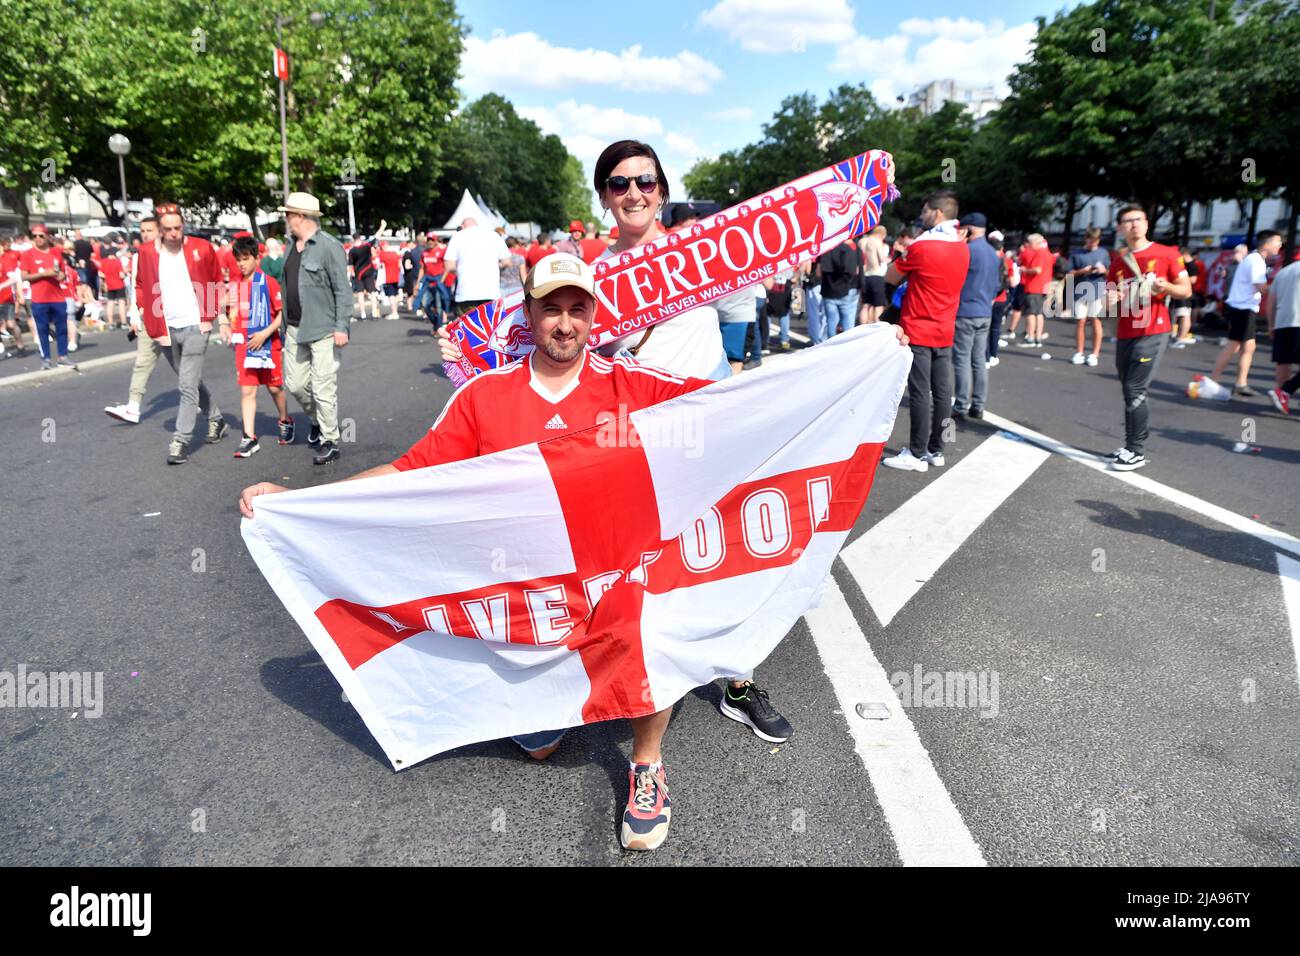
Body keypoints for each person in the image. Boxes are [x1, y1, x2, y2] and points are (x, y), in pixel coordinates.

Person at [244, 252, 715, 852]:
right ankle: (548, 701)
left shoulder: (634, 386)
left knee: (654, 615)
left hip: (615, 582)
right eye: (551, 309)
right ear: (529, 313)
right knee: (540, 744)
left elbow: (732, 408)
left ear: (595, 315)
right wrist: (302, 500)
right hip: (532, 598)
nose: (565, 323)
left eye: (577, 309)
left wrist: (850, 361)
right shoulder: (485, 397)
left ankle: (646, 764)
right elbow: (409, 472)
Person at [441, 140, 819, 754]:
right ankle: (584, 677)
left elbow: (736, 324)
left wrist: (742, 400)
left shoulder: (703, 252)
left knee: (720, 551)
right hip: (630, 438)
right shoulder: (590, 268)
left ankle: (738, 679)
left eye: (644, 181)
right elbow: (539, 341)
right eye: (619, 184)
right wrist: (462, 348)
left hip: (704, 424)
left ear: (662, 190)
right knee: (626, 560)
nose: (633, 193)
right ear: (604, 196)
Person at [881, 190, 970, 473]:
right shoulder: (962, 248)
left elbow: (891, 276)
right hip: (945, 327)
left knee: (920, 392)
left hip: (918, 327)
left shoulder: (922, 247)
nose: (922, 216)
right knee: (943, 393)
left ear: (938, 213)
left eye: (925, 210)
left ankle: (916, 453)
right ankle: (936, 449)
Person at [134, 204, 228, 463]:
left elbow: (216, 280)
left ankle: (180, 441)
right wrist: (143, 311)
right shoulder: (147, 253)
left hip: (197, 325)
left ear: (183, 225)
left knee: (186, 384)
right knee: (192, 380)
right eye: (168, 229)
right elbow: (141, 285)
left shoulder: (201, 247)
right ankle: (216, 418)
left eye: (178, 227)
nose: (174, 233)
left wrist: (217, 316)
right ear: (159, 231)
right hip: (164, 328)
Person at [1103, 204, 1191, 471]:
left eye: (1138, 220)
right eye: (1127, 221)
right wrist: (1112, 299)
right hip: (1126, 331)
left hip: (1154, 330)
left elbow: (1185, 290)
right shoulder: (1118, 262)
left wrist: (1167, 286)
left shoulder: (1167, 254)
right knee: (1128, 389)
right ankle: (1129, 444)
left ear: (1147, 223)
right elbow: (1109, 302)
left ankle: (1136, 450)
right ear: (1120, 228)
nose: (1133, 225)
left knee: (1135, 388)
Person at [279, 190, 352, 465]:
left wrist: (341, 326)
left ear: (299, 216)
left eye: (288, 214)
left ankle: (330, 439)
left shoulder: (328, 246)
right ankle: (316, 420)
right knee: (295, 385)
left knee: (323, 386)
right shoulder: (289, 245)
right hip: (295, 328)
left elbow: (342, 290)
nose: (286, 219)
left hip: (323, 328)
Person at [220, 235, 290, 458]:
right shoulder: (234, 285)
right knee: (247, 390)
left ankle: (285, 419)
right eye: (238, 259)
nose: (242, 263)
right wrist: (224, 319)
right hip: (244, 346)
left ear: (256, 258)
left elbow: (281, 315)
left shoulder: (268, 282)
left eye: (246, 258)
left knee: (274, 388)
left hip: (268, 343)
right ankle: (249, 437)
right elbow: (224, 309)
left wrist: (265, 333)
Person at [1205, 230, 1283, 398]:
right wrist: (1282, 283)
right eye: (1278, 242)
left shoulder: (1254, 259)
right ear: (1267, 244)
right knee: (1233, 346)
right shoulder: (1256, 261)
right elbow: (1261, 288)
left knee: (1247, 347)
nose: (1280, 245)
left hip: (1243, 308)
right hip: (1243, 309)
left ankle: (1240, 383)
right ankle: (1214, 381)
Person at [105, 217, 164, 424]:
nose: (146, 234)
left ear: (160, 231)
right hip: (149, 316)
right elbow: (135, 284)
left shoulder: (170, 253)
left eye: (150, 230)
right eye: (143, 230)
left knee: (184, 366)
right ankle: (133, 407)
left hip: (170, 318)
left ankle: (207, 406)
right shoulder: (139, 255)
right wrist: (135, 315)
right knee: (142, 362)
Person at [952, 212, 999, 421]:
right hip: (985, 312)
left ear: (969, 228)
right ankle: (978, 405)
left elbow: (955, 280)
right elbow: (997, 285)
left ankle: (961, 404)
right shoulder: (992, 253)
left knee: (961, 358)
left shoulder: (966, 250)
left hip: (965, 311)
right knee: (979, 359)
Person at [19, 224, 77, 370]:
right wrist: (43, 274)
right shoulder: (28, 254)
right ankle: (45, 359)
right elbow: (23, 276)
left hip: (57, 297)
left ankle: (62, 357)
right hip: (39, 299)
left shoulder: (56, 252)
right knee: (42, 329)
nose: (37, 238)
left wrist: (60, 275)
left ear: (47, 236)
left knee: (62, 329)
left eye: (41, 235)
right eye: (35, 236)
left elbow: (63, 272)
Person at [443, 217, 511, 318]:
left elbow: (449, 266)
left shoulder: (458, 236)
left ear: (462, 227)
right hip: (491, 291)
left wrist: (462, 271)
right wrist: (492, 267)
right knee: (491, 329)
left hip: (466, 292)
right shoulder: (494, 235)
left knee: (469, 329)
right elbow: (507, 262)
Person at [1068, 226, 1109, 366]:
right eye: (1091, 240)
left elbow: (1111, 272)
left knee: (1096, 321)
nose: (1094, 243)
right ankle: (1079, 352)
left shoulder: (1103, 253)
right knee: (1081, 322)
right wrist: (1083, 271)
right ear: (1086, 239)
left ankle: (1094, 354)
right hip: (1080, 291)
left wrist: (1104, 270)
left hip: (1097, 291)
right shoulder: (1077, 253)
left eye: (1096, 241)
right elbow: (1069, 273)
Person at [1266, 257, 1300, 415]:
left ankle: (1281, 396)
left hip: (1282, 322)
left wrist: (1271, 324)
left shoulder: (1283, 272)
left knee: (1283, 360)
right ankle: (1284, 393)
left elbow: (1271, 301)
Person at [818, 236, 862, 337]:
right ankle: (847, 346)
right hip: (844, 290)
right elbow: (855, 271)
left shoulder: (826, 249)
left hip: (828, 290)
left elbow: (819, 273)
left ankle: (831, 346)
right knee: (847, 321)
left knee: (831, 321)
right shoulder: (848, 250)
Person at [1016, 234, 1051, 348]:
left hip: (1034, 286)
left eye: (1030, 244)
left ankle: (1030, 337)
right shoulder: (1047, 253)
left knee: (1031, 313)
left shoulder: (1039, 253)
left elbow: (1037, 270)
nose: (1029, 247)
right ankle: (1038, 338)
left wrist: (1024, 270)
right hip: (1043, 286)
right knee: (1039, 313)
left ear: (1036, 243)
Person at [0, 234, 29, 358]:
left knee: (11, 324)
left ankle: (20, 346)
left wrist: (1, 286)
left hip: (6, 297)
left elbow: (14, 278)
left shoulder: (4, 260)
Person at [986, 230, 1009, 367]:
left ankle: (986, 356)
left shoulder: (987, 259)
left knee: (985, 330)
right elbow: (1013, 281)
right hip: (1000, 298)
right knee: (995, 328)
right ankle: (993, 354)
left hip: (988, 298)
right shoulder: (1006, 260)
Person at [859, 225, 889, 325]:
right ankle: (877, 329)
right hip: (876, 275)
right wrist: (889, 259)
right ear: (881, 234)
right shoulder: (876, 241)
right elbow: (882, 259)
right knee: (878, 305)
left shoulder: (862, 241)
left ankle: (862, 328)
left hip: (864, 275)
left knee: (865, 305)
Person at [348, 232, 380, 321]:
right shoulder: (366, 246)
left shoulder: (352, 251)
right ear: (360, 238)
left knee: (360, 294)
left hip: (358, 274)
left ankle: (363, 314)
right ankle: (374, 313)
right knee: (372, 293)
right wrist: (382, 227)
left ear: (353, 239)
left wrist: (352, 273)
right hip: (368, 272)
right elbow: (376, 237)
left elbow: (350, 264)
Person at [98, 244, 129, 330]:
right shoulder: (117, 261)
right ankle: (123, 323)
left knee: (110, 304)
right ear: (115, 253)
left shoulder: (104, 262)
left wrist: (106, 278)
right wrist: (125, 274)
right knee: (121, 304)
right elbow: (121, 275)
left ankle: (111, 324)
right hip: (119, 284)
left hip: (109, 286)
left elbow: (100, 273)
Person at [378, 241, 403, 320]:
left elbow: (380, 266)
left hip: (388, 278)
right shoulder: (395, 253)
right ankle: (395, 312)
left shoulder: (382, 254)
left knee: (391, 296)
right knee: (395, 295)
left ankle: (394, 313)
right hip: (396, 276)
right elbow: (400, 264)